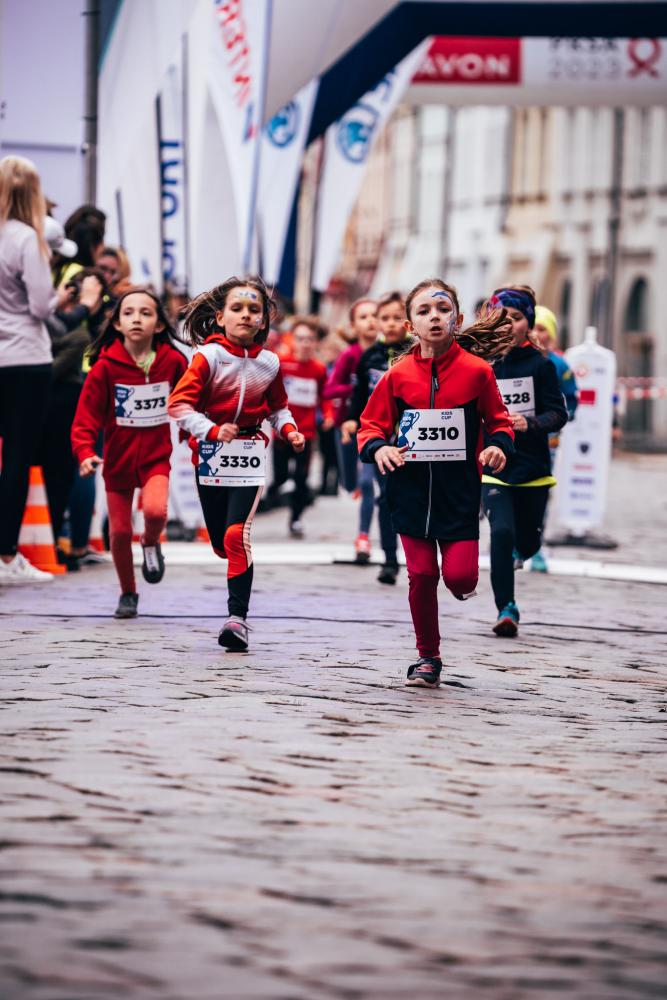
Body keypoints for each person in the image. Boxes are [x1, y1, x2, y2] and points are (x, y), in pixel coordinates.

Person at [358, 278, 515, 687]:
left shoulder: (477, 372)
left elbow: (499, 422)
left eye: (443, 310)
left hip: (458, 493)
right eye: (424, 311)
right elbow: (370, 426)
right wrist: (379, 448)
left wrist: (497, 446)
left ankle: (460, 585)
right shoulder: (396, 376)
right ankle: (428, 656)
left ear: (457, 320)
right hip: (408, 492)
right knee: (423, 575)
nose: (434, 317)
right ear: (410, 325)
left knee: (460, 578)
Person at [168, 277, 305, 652]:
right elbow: (178, 406)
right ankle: (231, 570)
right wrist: (211, 431)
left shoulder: (269, 362)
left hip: (250, 455)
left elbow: (278, 408)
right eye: (237, 308)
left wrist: (289, 430)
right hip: (210, 455)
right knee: (220, 543)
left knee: (236, 536)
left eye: (253, 310)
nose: (245, 315)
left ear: (263, 320)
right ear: (220, 317)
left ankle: (237, 619)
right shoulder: (208, 357)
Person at [71, 288, 187, 618]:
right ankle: (128, 593)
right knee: (119, 533)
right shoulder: (105, 367)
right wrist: (84, 452)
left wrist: (198, 435)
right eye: (129, 313)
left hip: (155, 459)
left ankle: (150, 542)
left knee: (155, 512)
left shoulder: (173, 362)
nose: (137, 318)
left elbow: (192, 401)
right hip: (117, 463)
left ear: (159, 325)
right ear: (117, 324)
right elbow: (86, 417)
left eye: (146, 313)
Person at [481, 286, 568, 636]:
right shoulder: (484, 365)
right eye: (501, 318)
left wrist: (529, 423)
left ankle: (524, 550)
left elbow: (558, 414)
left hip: (533, 467)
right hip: (494, 464)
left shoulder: (541, 365)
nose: (507, 325)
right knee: (501, 533)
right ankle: (507, 607)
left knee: (528, 543)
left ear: (527, 323)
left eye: (515, 318)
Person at [0, 156, 59, 584]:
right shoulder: (27, 240)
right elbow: (41, 306)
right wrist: (65, 299)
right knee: (17, 457)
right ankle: (6, 556)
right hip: (24, 357)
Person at [344, 291, 410, 584]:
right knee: (386, 497)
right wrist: (351, 419)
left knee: (410, 498)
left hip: (412, 438)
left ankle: (420, 553)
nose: (391, 323)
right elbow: (358, 394)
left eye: (398, 317)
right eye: (385, 318)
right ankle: (390, 560)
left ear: (408, 322)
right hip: (381, 438)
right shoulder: (369, 357)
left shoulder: (416, 352)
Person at [324, 298, 378, 562]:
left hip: (375, 428)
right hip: (345, 426)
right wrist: (358, 388)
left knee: (368, 483)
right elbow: (330, 389)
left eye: (375, 315)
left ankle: (363, 537)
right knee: (348, 483)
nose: (371, 321)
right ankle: (355, 485)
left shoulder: (386, 354)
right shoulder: (350, 355)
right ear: (354, 325)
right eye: (364, 317)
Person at [272, 316, 335, 536]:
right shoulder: (281, 363)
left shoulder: (318, 369)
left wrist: (328, 414)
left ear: (316, 342)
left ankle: (296, 519)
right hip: (281, 433)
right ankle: (275, 491)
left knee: (301, 478)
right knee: (280, 476)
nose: (305, 344)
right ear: (292, 340)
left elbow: (325, 396)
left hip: (306, 434)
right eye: (300, 339)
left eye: (309, 339)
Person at [528, 304, 578, 572]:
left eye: (543, 328)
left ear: (552, 334)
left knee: (540, 492)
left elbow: (571, 398)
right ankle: (509, 540)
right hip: (514, 437)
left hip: (547, 440)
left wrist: (559, 419)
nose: (537, 333)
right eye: (533, 327)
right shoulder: (509, 360)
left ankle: (535, 546)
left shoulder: (559, 365)